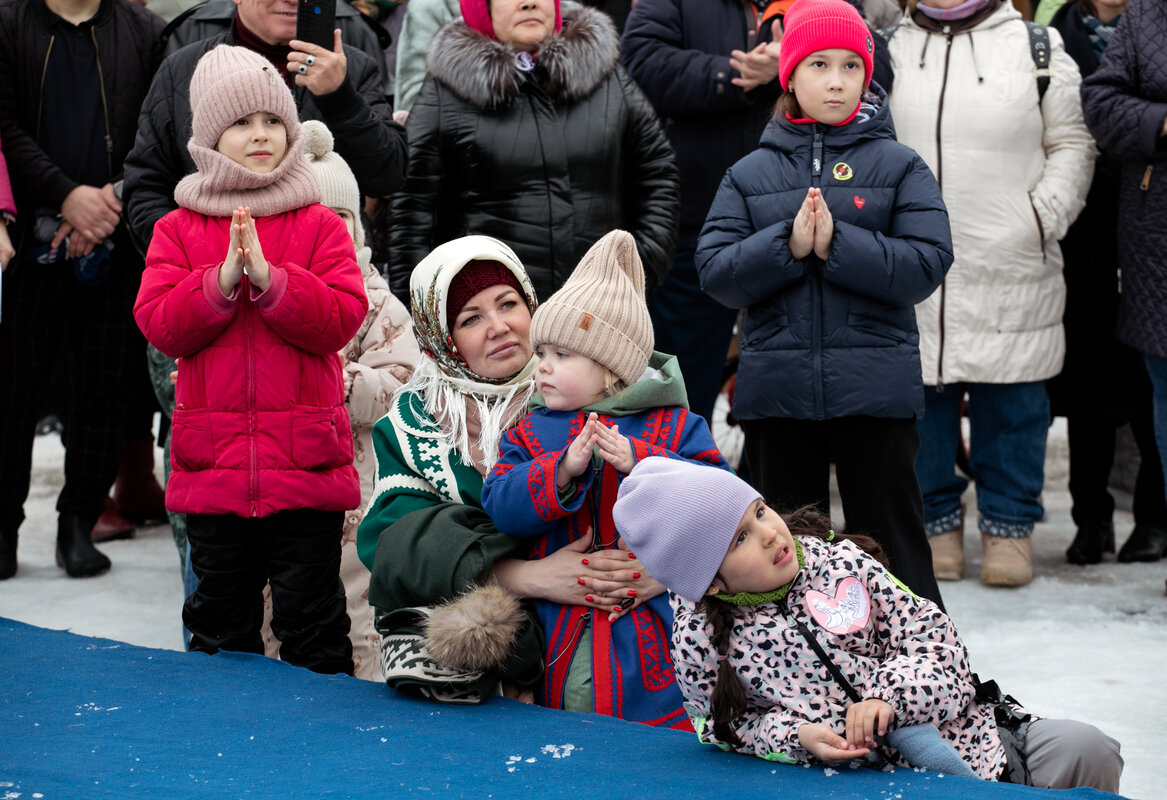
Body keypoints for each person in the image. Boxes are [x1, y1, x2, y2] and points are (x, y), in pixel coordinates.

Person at [614, 457, 1124, 791]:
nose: (770, 533)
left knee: (1087, 749)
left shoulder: (842, 564)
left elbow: (936, 640)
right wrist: (798, 735)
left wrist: (888, 696)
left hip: (968, 734)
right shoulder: (700, 637)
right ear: (710, 583)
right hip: (859, 780)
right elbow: (719, 726)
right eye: (740, 539)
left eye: (761, 511)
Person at [696, 0, 952, 607]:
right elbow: (716, 272)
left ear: (868, 75)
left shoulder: (900, 165)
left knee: (892, 548)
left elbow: (926, 262)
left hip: (875, 394)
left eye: (850, 67)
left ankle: (931, 677)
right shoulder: (748, 173)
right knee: (781, 552)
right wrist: (785, 246)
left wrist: (841, 246)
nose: (836, 81)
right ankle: (787, 683)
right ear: (790, 75)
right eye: (818, 65)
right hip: (778, 396)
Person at [133, 46, 368, 674]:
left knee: (312, 617)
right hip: (215, 471)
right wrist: (220, 279)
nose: (260, 135)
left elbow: (343, 316)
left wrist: (271, 280)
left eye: (272, 121)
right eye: (240, 123)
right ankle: (224, 747)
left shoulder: (318, 221)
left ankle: (322, 744)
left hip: (305, 466)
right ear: (210, 137)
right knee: (220, 619)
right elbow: (159, 323)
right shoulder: (177, 228)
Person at [481, 230, 733, 726]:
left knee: (656, 740)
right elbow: (500, 504)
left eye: (562, 355)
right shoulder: (530, 432)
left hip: (652, 630)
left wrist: (645, 463)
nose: (543, 367)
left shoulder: (677, 427)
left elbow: (723, 505)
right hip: (559, 634)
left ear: (613, 370)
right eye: (543, 353)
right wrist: (560, 473)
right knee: (565, 737)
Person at [885, 0, 1095, 586]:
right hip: (915, 265)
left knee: (1015, 406)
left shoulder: (1038, 48)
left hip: (1012, 260)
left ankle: (1009, 527)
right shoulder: (887, 49)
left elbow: (1074, 143)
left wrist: (1040, 216)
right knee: (920, 406)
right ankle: (936, 524)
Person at [621, 0, 895, 423]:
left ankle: (771, 483)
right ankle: (681, 478)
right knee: (683, 380)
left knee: (792, 377)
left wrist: (791, 65)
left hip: (816, 222)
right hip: (700, 219)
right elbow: (641, 61)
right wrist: (740, 76)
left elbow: (878, 67)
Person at [0, 0, 165, 580]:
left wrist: (109, 200)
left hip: (113, 242)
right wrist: (66, 194)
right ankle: (4, 527)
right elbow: (4, 127)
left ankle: (79, 523)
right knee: (13, 391)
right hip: (25, 241)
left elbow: (157, 130)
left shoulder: (143, 31)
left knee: (102, 392)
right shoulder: (9, 22)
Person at [356, 236, 550, 703]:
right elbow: (394, 546)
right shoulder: (414, 421)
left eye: (508, 303)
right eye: (471, 319)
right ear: (442, 341)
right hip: (475, 659)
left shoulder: (584, 386)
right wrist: (527, 575)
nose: (499, 327)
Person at [387, 0, 679, 304]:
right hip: (496, 324)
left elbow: (657, 176)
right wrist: (428, 316)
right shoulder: (446, 93)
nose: (529, 3)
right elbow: (411, 212)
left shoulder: (606, 76)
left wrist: (637, 270)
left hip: (601, 310)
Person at [122, 0, 407, 249]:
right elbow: (146, 187)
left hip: (325, 283)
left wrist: (341, 98)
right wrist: (199, 259)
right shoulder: (183, 69)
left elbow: (387, 176)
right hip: (212, 290)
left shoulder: (348, 68)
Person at [1046, 0, 1167, 565]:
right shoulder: (1057, 26)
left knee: (1147, 381)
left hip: (1143, 209)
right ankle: (1090, 517)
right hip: (1084, 222)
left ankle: (1154, 519)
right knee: (1090, 373)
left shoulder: (1147, 19)